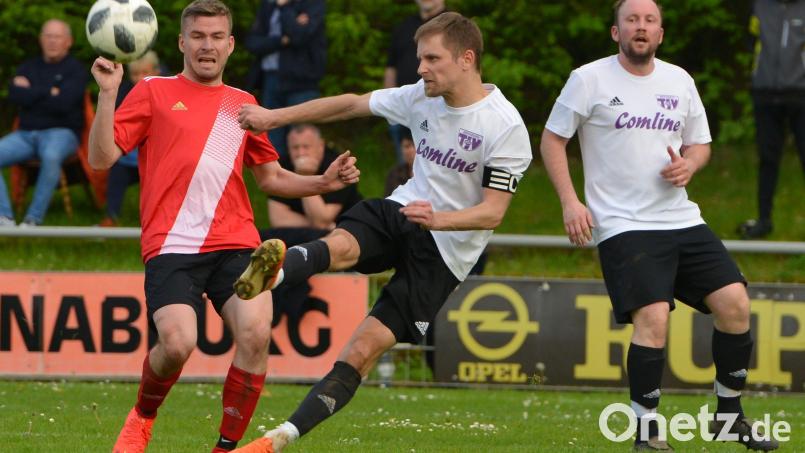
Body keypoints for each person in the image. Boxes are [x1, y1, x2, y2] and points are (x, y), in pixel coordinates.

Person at [233, 11, 532, 453]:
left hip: (445, 254)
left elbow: (492, 213)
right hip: (403, 211)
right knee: (343, 243)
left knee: (361, 351)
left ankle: (279, 438)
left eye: (432, 59)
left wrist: (439, 219)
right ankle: (275, 274)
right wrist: (274, 117)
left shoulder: (504, 126)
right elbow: (351, 104)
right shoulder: (420, 96)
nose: (421, 68)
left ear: (466, 59)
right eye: (419, 58)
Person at [87, 1, 358, 452]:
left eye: (216, 37)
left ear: (230, 45)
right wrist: (108, 93)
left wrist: (323, 182)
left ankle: (226, 449)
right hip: (172, 243)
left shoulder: (243, 104)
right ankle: (143, 416)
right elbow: (100, 159)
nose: (206, 46)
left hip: (235, 242)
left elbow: (270, 178)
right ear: (182, 42)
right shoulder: (153, 90)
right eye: (197, 36)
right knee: (178, 344)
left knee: (255, 333)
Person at [540, 0, 779, 450]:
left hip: (680, 218)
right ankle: (647, 432)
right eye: (631, 20)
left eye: (649, 20)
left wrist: (690, 165)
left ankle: (728, 417)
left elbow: (700, 145)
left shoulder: (679, 79)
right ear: (616, 32)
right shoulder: (588, 79)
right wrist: (571, 202)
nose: (641, 27)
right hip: (623, 223)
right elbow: (553, 139)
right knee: (652, 317)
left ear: (660, 33)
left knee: (735, 304)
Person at [0, 18, 88, 227]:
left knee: (51, 155)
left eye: (57, 36)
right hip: (25, 134)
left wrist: (31, 92)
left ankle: (32, 220)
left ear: (68, 41)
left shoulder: (76, 70)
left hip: (62, 133)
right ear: (41, 40)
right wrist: (50, 92)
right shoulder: (28, 66)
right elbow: (15, 95)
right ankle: (5, 219)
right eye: (48, 36)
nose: (52, 41)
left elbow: (65, 104)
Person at [737, 0, 805, 239]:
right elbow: (750, 40)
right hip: (765, 93)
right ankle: (764, 220)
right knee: (767, 159)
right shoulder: (759, 6)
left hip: (801, 94)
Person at [245, 0, 326, 162]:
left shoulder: (312, 4)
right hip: (270, 80)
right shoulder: (269, 4)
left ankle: (307, 175)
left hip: (302, 82)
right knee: (272, 140)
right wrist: (281, 40)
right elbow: (252, 43)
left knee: (303, 139)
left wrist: (285, 7)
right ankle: (278, 176)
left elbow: (299, 36)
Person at [262, 123, 362, 246]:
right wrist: (317, 226)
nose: (301, 153)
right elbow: (278, 219)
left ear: (321, 146)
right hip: (318, 230)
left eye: (306, 147)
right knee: (262, 238)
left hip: (346, 232)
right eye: (295, 148)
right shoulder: (282, 165)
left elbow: (321, 221)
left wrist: (305, 175)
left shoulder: (339, 166)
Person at [98, 50, 162, 227]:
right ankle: (111, 216)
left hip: (159, 155)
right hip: (130, 154)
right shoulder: (123, 91)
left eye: (145, 72)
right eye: (135, 74)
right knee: (117, 170)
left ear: (156, 71)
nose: (140, 78)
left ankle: (157, 220)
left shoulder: (166, 91)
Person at [384, 0, 446, 163]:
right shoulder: (404, 26)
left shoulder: (453, 25)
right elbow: (391, 67)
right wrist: (389, 101)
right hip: (404, 107)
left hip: (440, 111)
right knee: (406, 165)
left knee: (437, 164)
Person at [383, 126, 415, 196]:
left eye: (414, 145)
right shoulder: (394, 174)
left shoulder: (431, 175)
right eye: (407, 146)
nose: (411, 150)